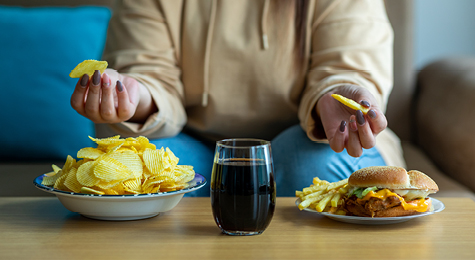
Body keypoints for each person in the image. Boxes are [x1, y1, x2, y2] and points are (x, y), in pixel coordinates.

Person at [70, 0, 405, 196]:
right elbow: (149, 72)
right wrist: (132, 96)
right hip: (197, 145)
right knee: (141, 170)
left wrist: (336, 97)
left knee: (306, 162)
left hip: (308, 142)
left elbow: (348, 65)